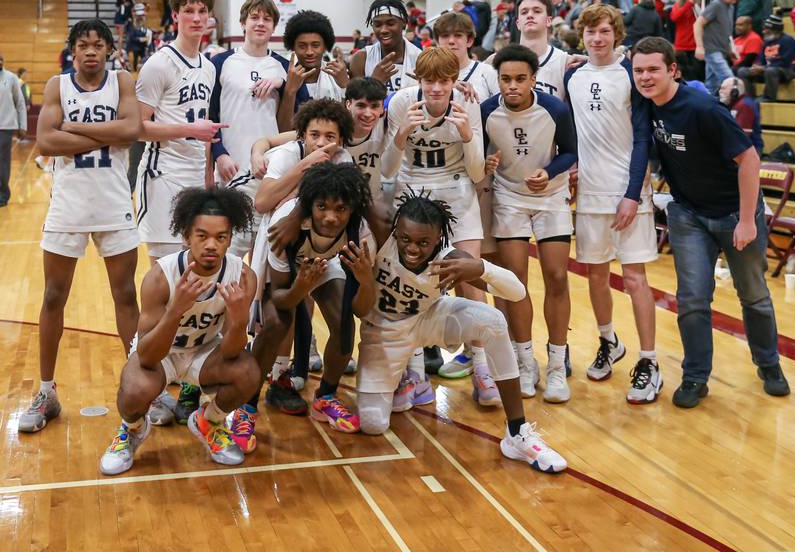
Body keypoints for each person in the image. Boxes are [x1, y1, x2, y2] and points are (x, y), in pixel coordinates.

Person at [356, 191, 568, 473]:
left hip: (427, 318)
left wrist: (481, 267)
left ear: (439, 239)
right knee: (373, 424)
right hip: (383, 331)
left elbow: (517, 292)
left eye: (423, 242)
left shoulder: (449, 260)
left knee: (492, 321)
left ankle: (517, 432)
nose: (412, 248)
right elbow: (358, 309)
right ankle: (404, 377)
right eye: (405, 238)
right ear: (396, 230)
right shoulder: (378, 242)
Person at [630, 36, 790, 407]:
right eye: (639, 70)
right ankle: (696, 377)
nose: (645, 77)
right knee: (692, 300)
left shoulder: (703, 108)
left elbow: (750, 161)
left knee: (753, 296)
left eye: (654, 69)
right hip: (688, 214)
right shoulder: (646, 103)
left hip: (737, 212)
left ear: (673, 70)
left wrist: (748, 221)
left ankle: (769, 364)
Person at [18, 19, 141, 433]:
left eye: (98, 44)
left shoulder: (122, 81)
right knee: (54, 296)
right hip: (68, 204)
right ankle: (47, 391)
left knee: (125, 294)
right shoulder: (57, 86)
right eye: (84, 45)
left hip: (112, 202)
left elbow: (132, 130)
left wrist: (75, 128)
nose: (91, 51)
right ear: (73, 51)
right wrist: (106, 135)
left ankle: (141, 384)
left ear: (109, 50)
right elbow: (47, 142)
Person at [98, 187, 261, 474]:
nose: (212, 244)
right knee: (136, 388)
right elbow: (147, 355)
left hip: (204, 353)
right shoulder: (161, 277)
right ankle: (132, 429)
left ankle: (209, 422)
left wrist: (239, 319)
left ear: (230, 239)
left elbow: (232, 352)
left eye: (220, 237)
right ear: (187, 236)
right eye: (202, 235)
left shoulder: (242, 277)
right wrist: (176, 311)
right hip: (162, 356)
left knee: (248, 373)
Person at [384, 47, 499, 398]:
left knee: (469, 274)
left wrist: (467, 136)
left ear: (455, 81)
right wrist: (402, 134)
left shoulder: (467, 104)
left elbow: (478, 172)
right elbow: (388, 170)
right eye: (429, 80)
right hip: (412, 192)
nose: (436, 88)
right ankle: (415, 371)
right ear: (418, 80)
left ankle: (481, 366)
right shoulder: (403, 102)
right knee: (412, 281)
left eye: (444, 81)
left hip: (456, 191)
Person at [565, 4, 661, 404]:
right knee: (597, 276)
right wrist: (570, 165)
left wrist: (632, 192)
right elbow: (571, 132)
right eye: (590, 32)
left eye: (604, 31)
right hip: (589, 194)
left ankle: (650, 361)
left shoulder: (629, 72)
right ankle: (609, 341)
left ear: (616, 34)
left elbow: (643, 138)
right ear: (581, 35)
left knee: (635, 278)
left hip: (628, 194)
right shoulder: (572, 74)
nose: (597, 38)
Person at [246, 162, 375, 441]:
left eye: (341, 209)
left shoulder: (360, 232)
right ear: (310, 206)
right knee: (275, 325)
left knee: (344, 323)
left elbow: (361, 310)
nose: (331, 217)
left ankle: (325, 397)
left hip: (322, 266)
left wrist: (366, 279)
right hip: (284, 273)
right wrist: (300, 288)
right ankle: (247, 405)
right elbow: (281, 298)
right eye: (322, 207)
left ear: (352, 208)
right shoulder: (284, 228)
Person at [482, 44, 577, 402]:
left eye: (521, 79)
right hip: (508, 197)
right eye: (505, 79)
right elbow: (475, 153)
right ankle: (525, 364)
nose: (513, 86)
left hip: (550, 196)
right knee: (515, 283)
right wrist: (485, 164)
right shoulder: (486, 112)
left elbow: (570, 150)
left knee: (556, 276)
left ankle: (556, 366)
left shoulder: (554, 108)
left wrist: (549, 171)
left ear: (534, 79)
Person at [135, 0, 220, 262]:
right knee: (164, 269)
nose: (196, 18)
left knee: (193, 269)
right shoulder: (159, 64)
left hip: (195, 175)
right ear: (175, 16)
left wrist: (208, 175)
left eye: (202, 11)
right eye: (188, 11)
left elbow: (205, 129)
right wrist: (189, 129)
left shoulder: (208, 67)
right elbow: (137, 128)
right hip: (163, 175)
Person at [209, 0, 290, 261]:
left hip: (269, 173)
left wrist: (282, 82)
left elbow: (301, 118)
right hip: (231, 169)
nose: (260, 23)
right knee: (226, 257)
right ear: (243, 23)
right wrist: (219, 153)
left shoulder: (284, 67)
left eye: (267, 19)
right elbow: (210, 115)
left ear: (274, 27)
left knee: (262, 264)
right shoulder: (221, 63)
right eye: (254, 17)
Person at [279, 10, 349, 124]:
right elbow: (282, 130)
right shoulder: (282, 76)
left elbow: (348, 124)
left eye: (316, 45)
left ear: (325, 46)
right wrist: (289, 92)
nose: (309, 52)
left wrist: (346, 86)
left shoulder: (338, 75)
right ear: (293, 46)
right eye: (302, 46)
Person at [350, 0, 421, 94]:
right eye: (378, 25)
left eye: (391, 23)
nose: (384, 30)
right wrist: (375, 82)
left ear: (404, 23)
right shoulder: (360, 59)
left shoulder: (421, 58)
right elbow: (356, 103)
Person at [434, 12, 499, 103]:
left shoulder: (488, 72)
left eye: (458, 35)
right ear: (437, 42)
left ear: (469, 41)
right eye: (445, 35)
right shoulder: (428, 76)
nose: (451, 41)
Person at [737, 14, 795, 101]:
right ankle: (749, 98)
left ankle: (769, 97)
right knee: (743, 71)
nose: (764, 31)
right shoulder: (767, 42)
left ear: (775, 30)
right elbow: (761, 60)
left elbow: (785, 62)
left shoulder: (788, 41)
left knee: (771, 71)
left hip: (788, 71)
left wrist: (764, 68)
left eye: (767, 29)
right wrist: (756, 67)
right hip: (769, 70)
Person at [695, 0, 740, 94]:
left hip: (721, 51)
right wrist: (699, 46)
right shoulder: (716, 5)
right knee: (730, 81)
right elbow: (697, 24)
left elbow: (724, 30)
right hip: (712, 51)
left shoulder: (730, 7)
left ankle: (707, 108)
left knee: (711, 85)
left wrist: (730, 49)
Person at [0, 52, 26, 207]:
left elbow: (20, 103)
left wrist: (22, 126)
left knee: (2, 163)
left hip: (5, 127)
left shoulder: (11, 78)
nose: (0, 61)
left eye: (1, 58)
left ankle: (3, 195)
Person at [719, 77, 764, 154]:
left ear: (735, 91)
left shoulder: (744, 105)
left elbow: (741, 136)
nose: (720, 92)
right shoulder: (736, 104)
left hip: (747, 154)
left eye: (723, 88)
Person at [670, 0, 704, 81]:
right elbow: (674, 17)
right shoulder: (678, 5)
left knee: (697, 73)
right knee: (683, 74)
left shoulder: (700, 5)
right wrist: (689, 4)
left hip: (696, 45)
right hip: (681, 45)